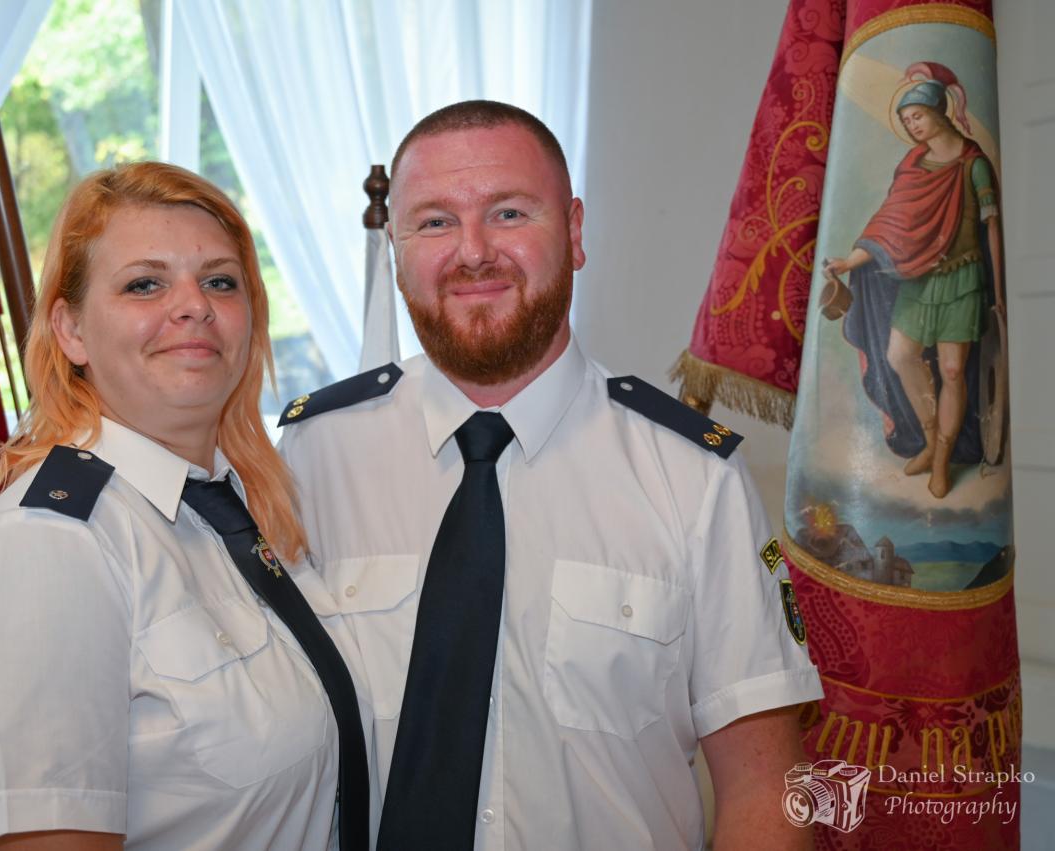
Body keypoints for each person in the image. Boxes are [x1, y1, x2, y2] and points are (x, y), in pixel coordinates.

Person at [279, 101, 823, 850]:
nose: (473, 252)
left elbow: (766, 784)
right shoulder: (311, 457)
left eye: (508, 213)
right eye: (434, 222)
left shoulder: (696, 478)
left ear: (574, 231)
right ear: (396, 251)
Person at [0, 162, 368, 851]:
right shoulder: (46, 547)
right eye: (145, 284)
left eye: (220, 281)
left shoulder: (247, 508)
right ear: (71, 331)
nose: (194, 306)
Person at [825, 63, 1005, 499]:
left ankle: (942, 459)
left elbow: (993, 229)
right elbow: (891, 224)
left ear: (939, 112)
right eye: (906, 120)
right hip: (920, 280)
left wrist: (999, 294)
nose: (912, 126)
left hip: (963, 279)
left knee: (952, 370)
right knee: (899, 355)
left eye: (918, 116)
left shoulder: (973, 164)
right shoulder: (912, 166)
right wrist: (849, 261)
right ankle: (928, 439)